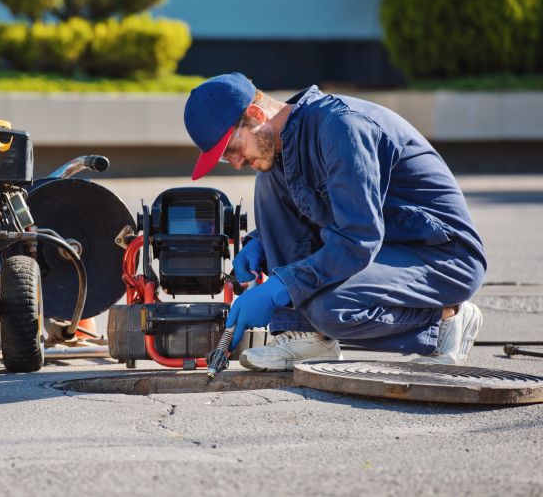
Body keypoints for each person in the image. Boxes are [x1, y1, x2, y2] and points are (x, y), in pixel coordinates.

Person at [183, 73, 487, 371]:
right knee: (268, 177)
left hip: (442, 255)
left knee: (331, 309)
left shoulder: (342, 127)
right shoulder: (283, 143)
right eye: (225, 158)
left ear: (255, 113)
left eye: (232, 150)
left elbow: (358, 239)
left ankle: (447, 319)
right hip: (385, 247)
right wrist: (261, 242)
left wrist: (282, 287)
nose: (235, 163)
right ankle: (307, 336)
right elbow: (319, 212)